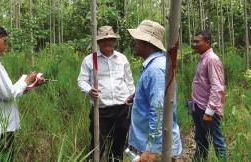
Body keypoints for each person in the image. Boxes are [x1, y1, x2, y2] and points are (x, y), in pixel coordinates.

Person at [0, 24, 44, 161]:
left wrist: (31, 85)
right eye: (4, 40)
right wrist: (26, 80)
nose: (5, 45)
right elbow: (7, 93)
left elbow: (1, 92)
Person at [126, 20, 182, 162]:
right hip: (151, 144)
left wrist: (151, 149)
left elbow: (159, 111)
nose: (134, 43)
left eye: (137, 40)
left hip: (155, 148)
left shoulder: (156, 70)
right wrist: (137, 96)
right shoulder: (154, 66)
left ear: (146, 43)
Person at [77, 26, 135, 162]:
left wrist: (132, 97)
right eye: (103, 39)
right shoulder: (89, 60)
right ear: (98, 42)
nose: (106, 42)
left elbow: (129, 81)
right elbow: (81, 81)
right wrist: (89, 90)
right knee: (97, 144)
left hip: (122, 108)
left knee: (119, 144)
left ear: (114, 41)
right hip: (100, 110)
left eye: (110, 39)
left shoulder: (122, 59)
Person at [191, 31, 227, 161]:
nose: (193, 44)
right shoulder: (203, 58)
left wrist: (209, 112)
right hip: (199, 107)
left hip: (207, 110)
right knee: (201, 141)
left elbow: (217, 87)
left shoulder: (212, 59)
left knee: (217, 142)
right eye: (193, 41)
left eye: (197, 41)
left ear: (207, 42)